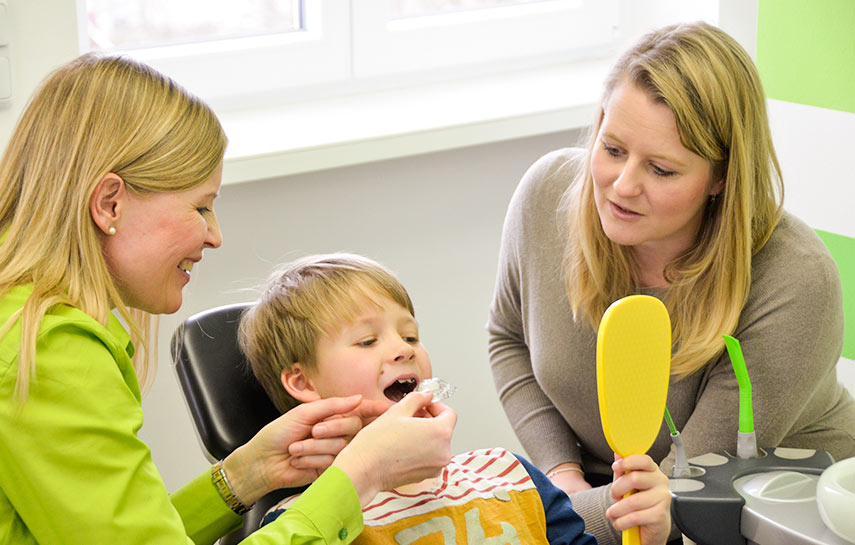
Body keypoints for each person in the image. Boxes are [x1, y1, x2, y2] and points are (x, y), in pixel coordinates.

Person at [0, 53, 455, 544]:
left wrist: (247, 474)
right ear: (110, 202)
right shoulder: (49, 349)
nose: (214, 236)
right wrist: (363, 472)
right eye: (200, 206)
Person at [487, 20, 854, 545]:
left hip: (766, 513)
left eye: (661, 170)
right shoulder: (548, 194)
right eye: (612, 149)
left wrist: (531, 515)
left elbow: (677, 490)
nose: (623, 185)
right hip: (597, 501)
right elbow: (507, 338)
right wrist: (560, 478)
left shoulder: (793, 281)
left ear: (722, 177)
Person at [238, 253, 672, 545]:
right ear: (302, 382)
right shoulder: (312, 524)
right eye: (367, 341)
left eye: (410, 335)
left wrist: (645, 534)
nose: (403, 348)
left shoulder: (511, 476)